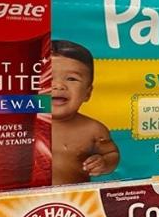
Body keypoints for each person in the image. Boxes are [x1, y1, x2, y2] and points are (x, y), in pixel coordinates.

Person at [51, 40, 120, 185]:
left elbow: (111, 154)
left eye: (71, 79)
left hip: (77, 202)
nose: (58, 86)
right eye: (48, 77)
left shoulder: (93, 130)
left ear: (87, 93)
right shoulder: (20, 126)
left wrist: (104, 163)